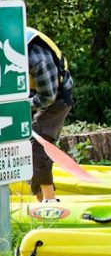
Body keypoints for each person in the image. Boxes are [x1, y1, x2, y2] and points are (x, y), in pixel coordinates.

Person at [26, 27, 74, 203]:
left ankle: (49, 201)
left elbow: (47, 98)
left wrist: (18, 107)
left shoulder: (38, 60)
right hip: (29, 95)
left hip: (56, 99)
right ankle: (39, 198)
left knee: (38, 146)